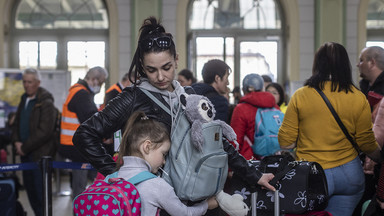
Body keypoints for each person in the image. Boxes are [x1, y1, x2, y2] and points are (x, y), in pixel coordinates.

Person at [72, 16, 275, 215]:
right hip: (156, 202)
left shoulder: (190, 95)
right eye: (151, 70)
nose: (160, 76)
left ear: (176, 59)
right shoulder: (132, 97)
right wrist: (116, 174)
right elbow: (84, 135)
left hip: (198, 196)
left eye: (166, 67)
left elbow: (217, 140)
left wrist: (254, 175)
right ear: (142, 67)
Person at [278, 42, 381, 216]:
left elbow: (286, 142)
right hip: (349, 174)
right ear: (345, 65)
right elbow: (365, 141)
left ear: (317, 64)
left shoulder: (301, 96)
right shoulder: (357, 97)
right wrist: (380, 157)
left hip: (312, 176)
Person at [117, 110, 218, 215]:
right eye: (163, 154)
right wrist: (206, 205)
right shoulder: (157, 185)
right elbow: (185, 213)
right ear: (147, 147)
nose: (164, 161)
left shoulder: (110, 179)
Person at [11, 68, 57, 216]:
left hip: (39, 156)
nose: (26, 85)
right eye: (24, 81)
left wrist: (24, 147)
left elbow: (45, 131)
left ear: (38, 83)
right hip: (25, 154)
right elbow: (17, 123)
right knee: (30, 192)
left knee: (40, 194)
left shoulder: (46, 102)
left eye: (30, 82)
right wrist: (17, 141)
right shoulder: (23, 99)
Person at [58, 66, 108, 199]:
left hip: (71, 143)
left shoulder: (76, 90)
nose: (101, 86)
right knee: (81, 185)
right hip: (77, 146)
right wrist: (106, 134)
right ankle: (80, 209)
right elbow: (92, 120)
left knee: (80, 183)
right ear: (94, 79)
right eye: (102, 82)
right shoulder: (81, 94)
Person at [354, 46, 384, 216]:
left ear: (372, 62)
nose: (358, 65)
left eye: (361, 60)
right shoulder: (362, 89)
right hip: (364, 159)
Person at [230, 73, 278, 160]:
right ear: (262, 88)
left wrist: (230, 167)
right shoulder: (274, 106)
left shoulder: (240, 109)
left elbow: (235, 140)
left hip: (249, 161)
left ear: (243, 90)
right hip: (273, 159)